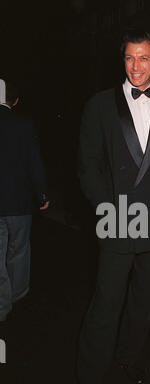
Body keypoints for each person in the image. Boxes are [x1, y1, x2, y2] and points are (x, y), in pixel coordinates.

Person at [68, 30, 150, 384]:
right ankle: (87, 382)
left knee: (144, 302)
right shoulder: (99, 105)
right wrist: (109, 212)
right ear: (123, 60)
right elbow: (88, 166)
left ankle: (131, 358)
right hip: (117, 221)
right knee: (105, 305)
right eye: (130, 58)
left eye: (144, 58)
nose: (137, 66)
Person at [0, 79, 49, 322]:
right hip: (19, 201)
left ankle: (1, 304)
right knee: (18, 250)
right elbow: (34, 163)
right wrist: (42, 194)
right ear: (15, 101)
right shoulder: (24, 124)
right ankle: (16, 296)